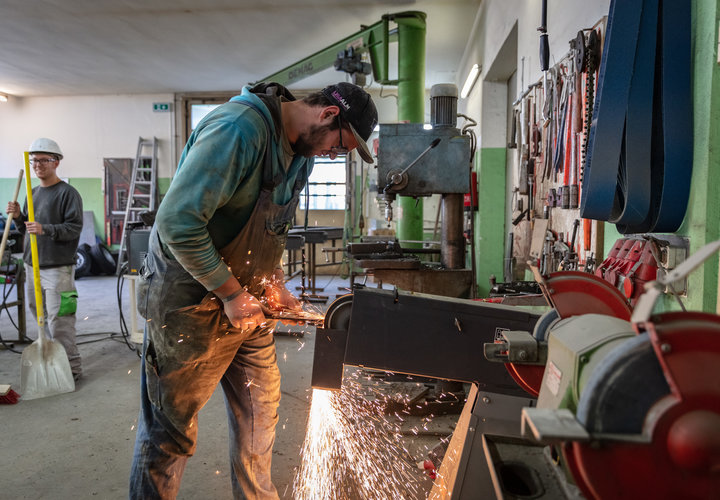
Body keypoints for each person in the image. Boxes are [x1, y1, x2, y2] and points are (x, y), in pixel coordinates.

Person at [129, 81, 378, 499]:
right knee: (171, 431)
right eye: (340, 145)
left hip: (246, 301)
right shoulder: (238, 130)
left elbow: (269, 230)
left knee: (260, 410)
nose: (334, 154)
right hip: (190, 299)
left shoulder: (301, 155)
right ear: (328, 115)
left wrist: (274, 283)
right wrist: (229, 293)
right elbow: (177, 224)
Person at [6, 137, 84, 380]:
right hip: (32, 265)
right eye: (34, 161)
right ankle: (52, 362)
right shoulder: (33, 191)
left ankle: (71, 370)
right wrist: (19, 217)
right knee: (38, 316)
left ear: (56, 162)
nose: (38, 165)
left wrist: (46, 229)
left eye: (44, 160)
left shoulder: (68, 193)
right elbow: (26, 230)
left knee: (59, 320)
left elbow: (73, 228)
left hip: (58, 269)